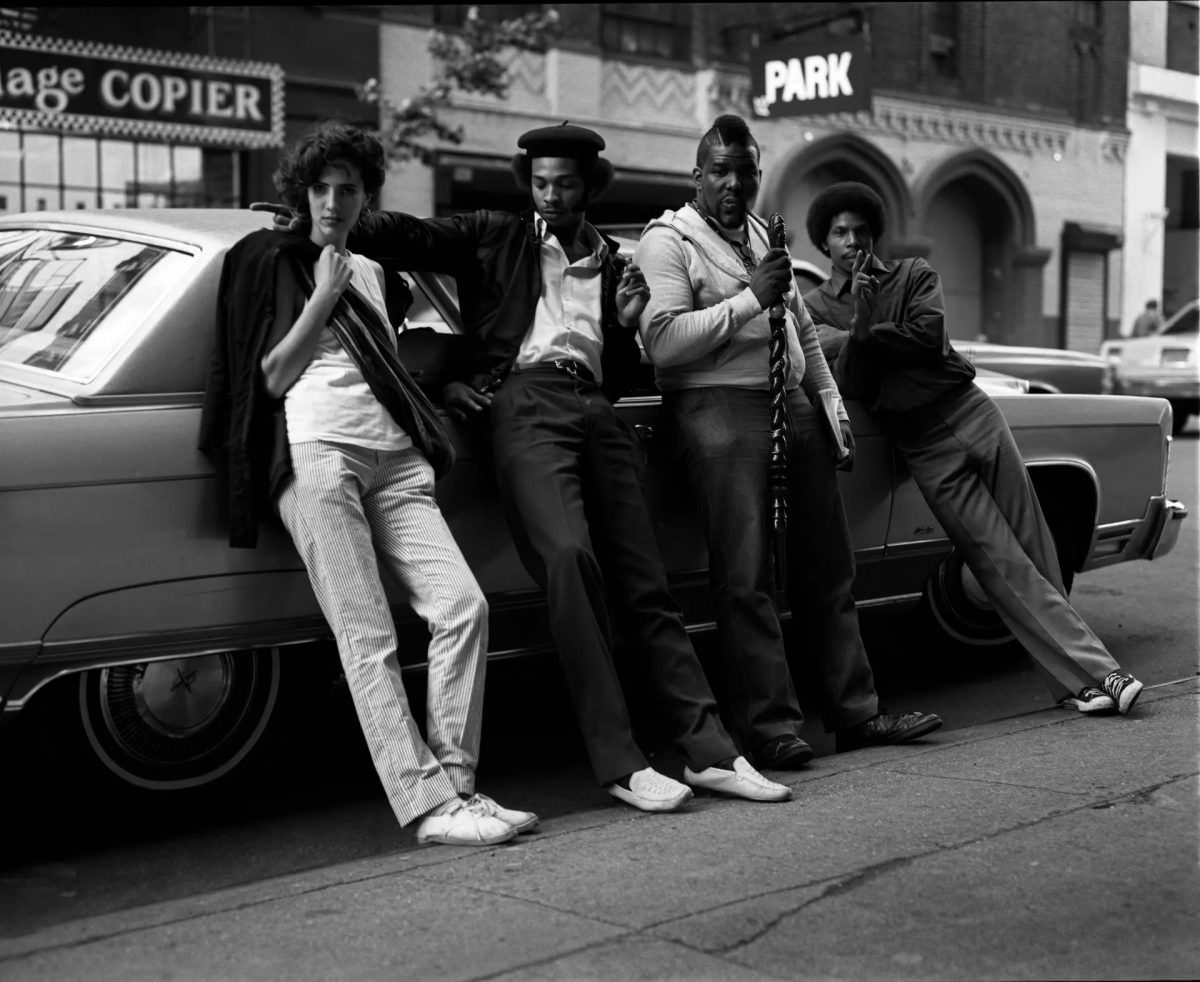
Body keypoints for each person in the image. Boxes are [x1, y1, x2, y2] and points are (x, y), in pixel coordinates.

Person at [342, 122, 791, 811]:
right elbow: (409, 237)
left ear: (590, 187)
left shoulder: (616, 259)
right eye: (541, 183)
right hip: (524, 405)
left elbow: (624, 361)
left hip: (595, 408)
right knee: (569, 561)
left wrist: (624, 319)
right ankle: (621, 760)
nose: (550, 196)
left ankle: (709, 750)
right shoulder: (496, 232)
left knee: (646, 582)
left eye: (565, 185)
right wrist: (331, 211)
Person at [200, 121, 538, 847]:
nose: (332, 202)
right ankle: (426, 805)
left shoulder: (378, 271)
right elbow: (269, 375)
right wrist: (322, 295)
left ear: (364, 197)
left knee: (463, 607)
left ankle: (458, 786)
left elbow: (385, 364)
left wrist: (436, 396)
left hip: (394, 461)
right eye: (319, 189)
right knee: (368, 639)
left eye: (347, 190)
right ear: (301, 193)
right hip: (319, 456)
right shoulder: (269, 258)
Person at [634, 115, 943, 764]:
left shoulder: (757, 232)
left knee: (828, 566)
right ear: (697, 175)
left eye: (746, 170)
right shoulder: (668, 242)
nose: (734, 182)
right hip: (717, 407)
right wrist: (750, 298)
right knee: (747, 575)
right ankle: (771, 727)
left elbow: (801, 329)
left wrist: (828, 401)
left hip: (791, 406)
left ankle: (856, 714)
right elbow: (662, 344)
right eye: (720, 170)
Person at [802, 180, 1145, 717]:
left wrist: (865, 335)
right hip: (922, 446)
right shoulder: (813, 307)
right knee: (996, 560)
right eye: (840, 232)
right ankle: (1102, 674)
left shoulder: (913, 274)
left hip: (973, 411)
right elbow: (849, 380)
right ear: (823, 243)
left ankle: (1078, 683)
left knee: (1036, 546)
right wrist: (866, 331)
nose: (852, 241)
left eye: (861, 230)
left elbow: (931, 336)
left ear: (874, 235)